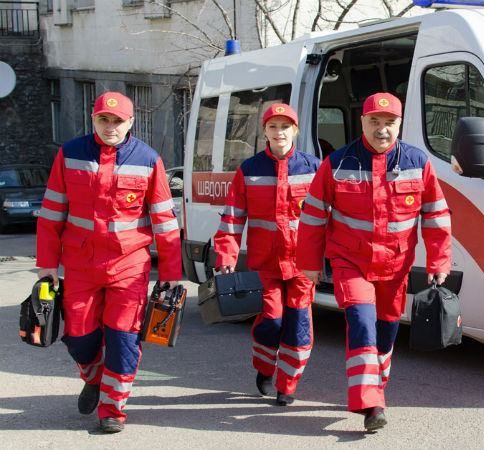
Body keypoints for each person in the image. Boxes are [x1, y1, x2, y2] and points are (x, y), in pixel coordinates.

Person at [296, 92, 452, 431]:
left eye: (389, 123)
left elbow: (436, 215)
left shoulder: (417, 162)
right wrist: (308, 262)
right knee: (361, 321)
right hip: (349, 261)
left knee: (385, 333)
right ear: (362, 122)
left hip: (396, 266)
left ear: (399, 124)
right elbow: (312, 215)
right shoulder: (337, 162)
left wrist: (439, 262)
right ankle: (371, 404)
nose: (382, 129)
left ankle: (375, 387)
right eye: (374, 122)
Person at [36, 91, 182, 433]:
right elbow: (51, 214)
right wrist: (46, 265)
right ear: (93, 119)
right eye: (104, 119)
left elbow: (164, 221)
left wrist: (172, 273)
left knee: (123, 339)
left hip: (129, 267)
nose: (111, 126)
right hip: (80, 265)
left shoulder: (148, 159)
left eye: (118, 121)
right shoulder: (70, 154)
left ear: (130, 122)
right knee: (80, 339)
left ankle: (112, 408)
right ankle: (94, 376)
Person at [213, 103, 320, 406]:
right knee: (271, 322)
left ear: (295, 131)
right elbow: (233, 218)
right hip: (265, 264)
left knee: (298, 326)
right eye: (273, 127)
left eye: (285, 127)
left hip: (302, 265)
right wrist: (226, 257)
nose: (279, 132)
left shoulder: (312, 168)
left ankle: (287, 386)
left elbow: (327, 218)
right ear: (265, 132)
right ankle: (264, 368)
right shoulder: (249, 170)